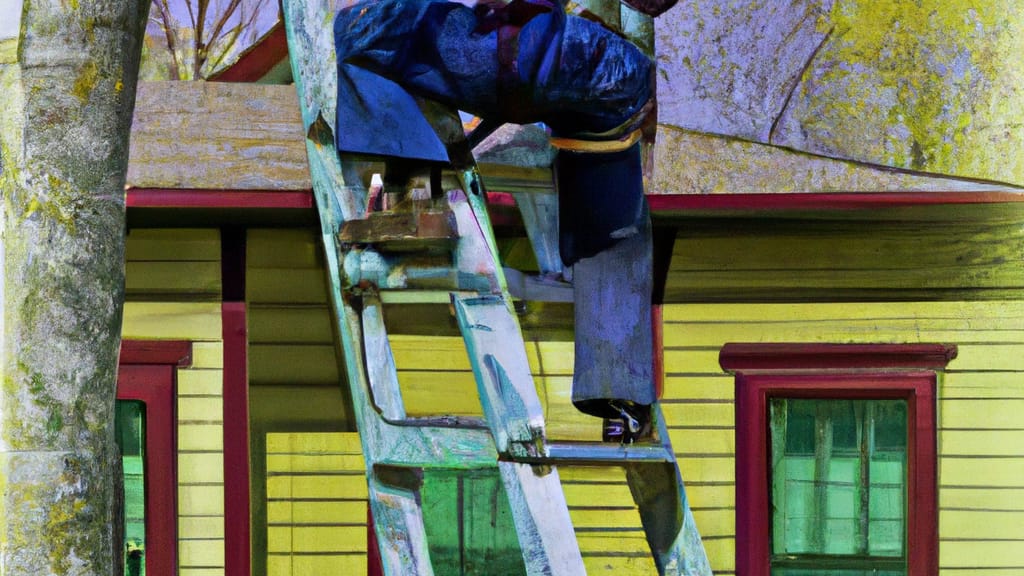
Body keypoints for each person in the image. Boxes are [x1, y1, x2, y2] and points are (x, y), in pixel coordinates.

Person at [334, 0, 672, 441]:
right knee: (608, 203)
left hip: (501, 56)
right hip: (598, 68)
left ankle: (414, 195)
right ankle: (618, 393)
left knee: (356, 30)